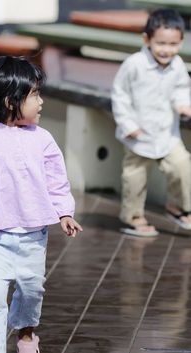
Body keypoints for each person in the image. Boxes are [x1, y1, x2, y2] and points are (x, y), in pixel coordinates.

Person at [0, 56, 83, 353]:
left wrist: (64, 211)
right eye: (34, 94)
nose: (40, 102)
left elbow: (56, 179)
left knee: (31, 290)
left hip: (32, 235)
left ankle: (25, 334)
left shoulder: (43, 139)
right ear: (9, 101)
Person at [111, 8, 191, 237]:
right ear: (147, 39)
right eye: (161, 43)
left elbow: (181, 88)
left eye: (173, 44)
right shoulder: (134, 64)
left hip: (167, 132)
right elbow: (120, 95)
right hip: (138, 134)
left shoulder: (177, 66)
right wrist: (128, 125)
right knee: (134, 177)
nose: (167, 50)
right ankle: (133, 217)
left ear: (181, 42)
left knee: (182, 165)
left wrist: (183, 105)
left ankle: (177, 206)